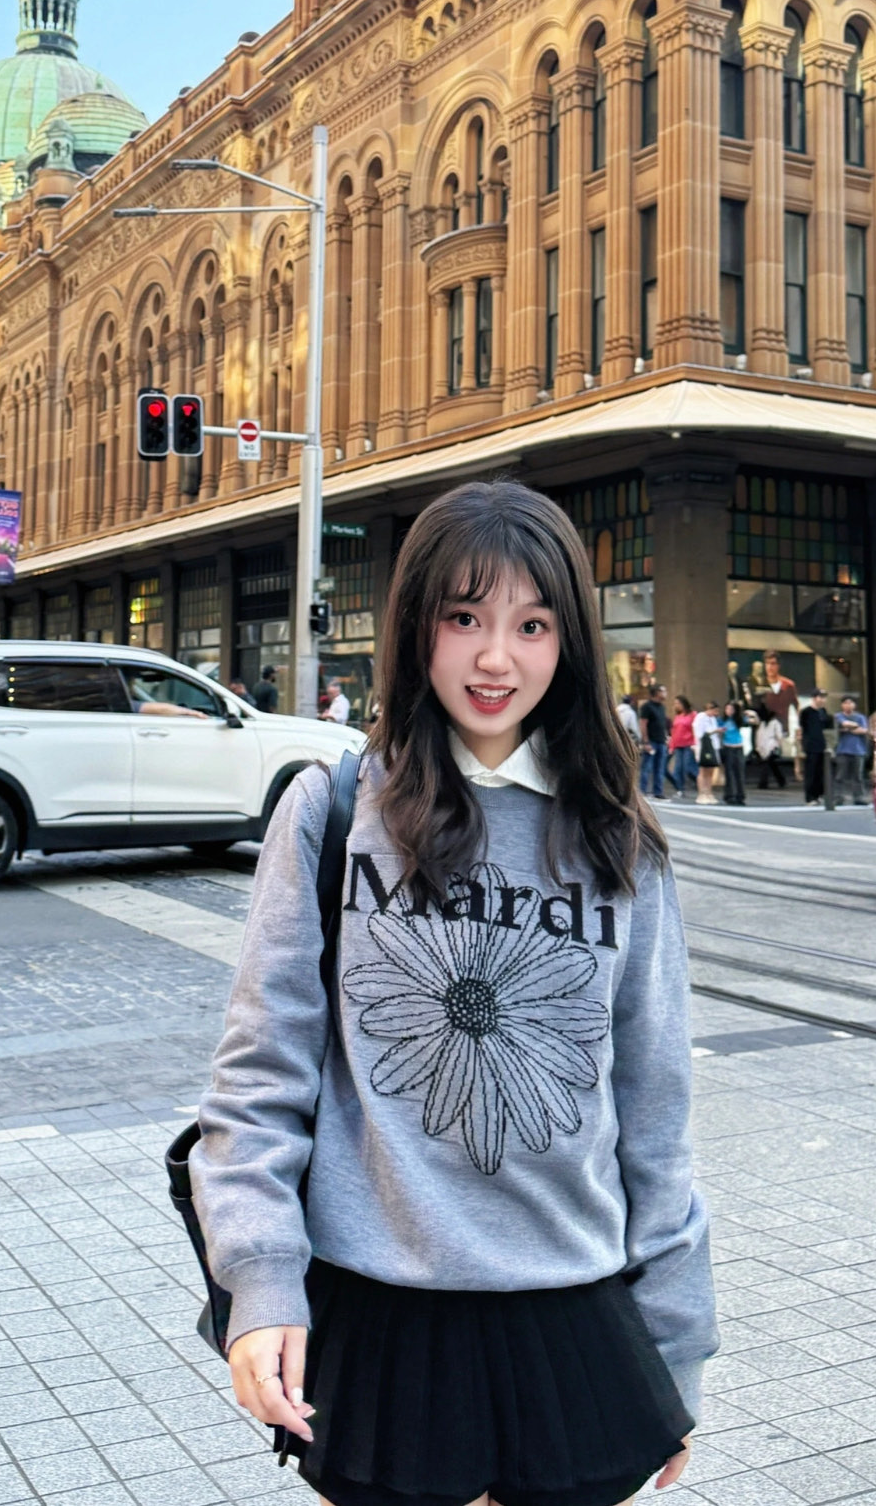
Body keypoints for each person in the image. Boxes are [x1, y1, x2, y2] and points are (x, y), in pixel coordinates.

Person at [192, 480, 715, 1506]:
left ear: (569, 643)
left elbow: (654, 1109)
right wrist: (261, 1276)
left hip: (571, 1307)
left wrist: (676, 1344)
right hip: (382, 1305)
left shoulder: (618, 840)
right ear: (415, 627)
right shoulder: (335, 810)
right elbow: (261, 1073)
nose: (495, 659)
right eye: (465, 618)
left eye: (532, 626)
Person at [638, 682, 672, 801]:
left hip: (661, 741)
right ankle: (642, 791)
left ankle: (658, 791)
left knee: (660, 767)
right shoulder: (647, 706)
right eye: (663, 691)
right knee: (647, 767)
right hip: (651, 741)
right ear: (657, 692)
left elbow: (662, 724)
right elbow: (643, 724)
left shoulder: (662, 707)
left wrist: (666, 737)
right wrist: (645, 742)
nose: (665, 693)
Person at [799, 689, 831, 805]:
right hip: (810, 745)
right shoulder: (806, 712)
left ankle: (818, 795)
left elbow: (827, 727)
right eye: (820, 697)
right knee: (810, 772)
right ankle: (810, 797)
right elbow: (802, 728)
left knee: (820, 772)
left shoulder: (823, 711)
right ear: (814, 698)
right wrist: (802, 746)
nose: (823, 700)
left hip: (821, 745)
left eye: (824, 697)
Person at [834, 695, 868, 804]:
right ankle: (838, 797)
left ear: (854, 705)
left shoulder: (860, 717)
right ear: (842, 705)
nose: (848, 705)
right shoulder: (838, 716)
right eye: (845, 703)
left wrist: (848, 729)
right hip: (842, 750)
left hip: (858, 750)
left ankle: (859, 797)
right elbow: (841, 725)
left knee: (858, 776)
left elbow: (864, 730)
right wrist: (854, 727)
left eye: (850, 703)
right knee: (840, 776)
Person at [758, 650, 799, 730]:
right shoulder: (759, 685)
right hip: (764, 730)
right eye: (767, 663)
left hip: (782, 729)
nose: (769, 667)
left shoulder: (788, 685)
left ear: (778, 665)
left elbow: (797, 706)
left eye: (773, 664)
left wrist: (800, 726)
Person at [718, 701, 747, 805]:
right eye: (727, 709)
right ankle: (730, 795)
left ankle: (740, 795)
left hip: (738, 747)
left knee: (739, 772)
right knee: (729, 773)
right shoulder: (722, 720)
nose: (729, 711)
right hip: (728, 747)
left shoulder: (739, 720)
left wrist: (751, 714)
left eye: (731, 709)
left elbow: (754, 721)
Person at [693, 700, 721, 805]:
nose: (716, 713)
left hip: (713, 746)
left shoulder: (713, 719)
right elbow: (699, 733)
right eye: (715, 710)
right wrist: (714, 731)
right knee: (703, 771)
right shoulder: (701, 717)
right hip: (704, 747)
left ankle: (709, 792)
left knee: (710, 771)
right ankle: (701, 793)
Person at [669, 696, 697, 798]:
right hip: (678, 745)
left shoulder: (693, 715)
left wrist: (695, 743)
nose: (676, 705)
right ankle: (680, 789)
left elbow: (695, 729)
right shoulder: (677, 716)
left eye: (678, 703)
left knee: (688, 767)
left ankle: (699, 783)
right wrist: (671, 746)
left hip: (688, 744)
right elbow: (674, 732)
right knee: (678, 769)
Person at [754, 708, 786, 790]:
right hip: (766, 746)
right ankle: (781, 780)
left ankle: (763, 783)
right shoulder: (764, 724)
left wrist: (778, 747)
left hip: (771, 746)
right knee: (772, 765)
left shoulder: (774, 724)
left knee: (766, 764)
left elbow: (779, 736)